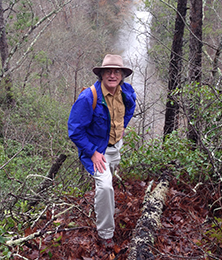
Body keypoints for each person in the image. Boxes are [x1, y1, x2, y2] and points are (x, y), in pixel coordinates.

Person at [67, 54, 136, 247]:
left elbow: (131, 107)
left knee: (107, 186)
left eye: (117, 72)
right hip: (97, 151)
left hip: (115, 147)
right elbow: (74, 130)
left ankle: (103, 206)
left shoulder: (126, 91)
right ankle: (106, 235)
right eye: (108, 71)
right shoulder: (88, 97)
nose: (112, 75)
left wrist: (123, 126)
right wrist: (92, 152)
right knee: (105, 186)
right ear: (102, 74)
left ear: (122, 75)